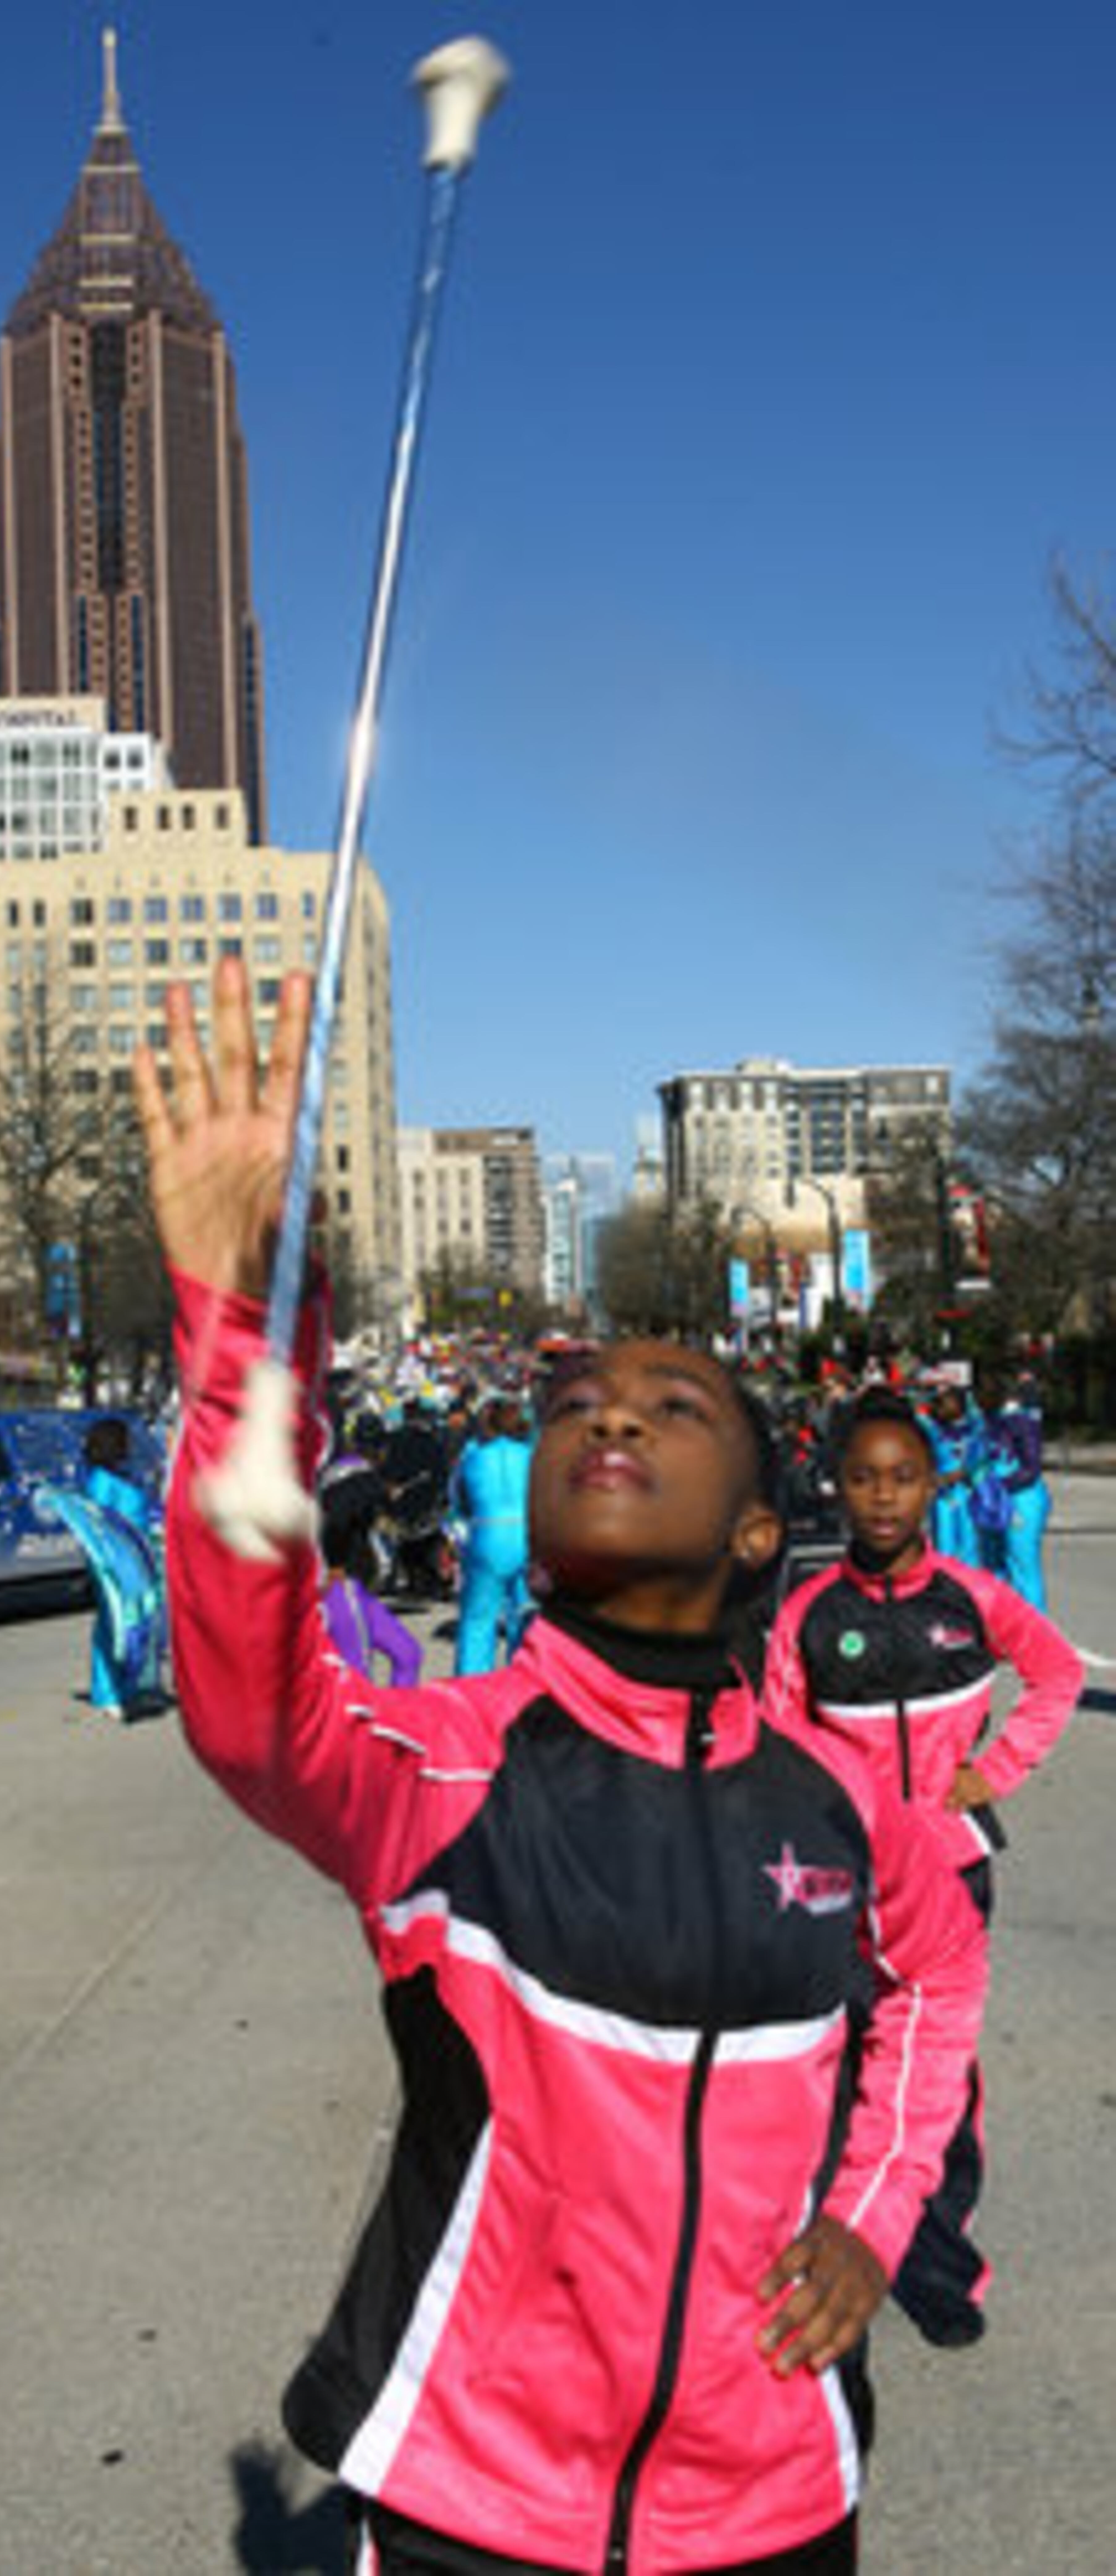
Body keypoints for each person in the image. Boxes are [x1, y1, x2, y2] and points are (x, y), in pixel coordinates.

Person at [134, 960, 987, 2576]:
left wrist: (877, 2220)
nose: (608, 1413)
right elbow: (253, 1703)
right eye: (579, 1401)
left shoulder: (840, 1809)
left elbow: (941, 1973)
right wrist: (248, 1328)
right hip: (479, 2504)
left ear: (757, 1526)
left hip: (772, 2504)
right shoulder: (452, 1769)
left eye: (674, 1404)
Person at [764, 1386, 1083, 2350]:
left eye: (902, 1477)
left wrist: (994, 1770)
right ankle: (832, 2250)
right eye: (861, 1478)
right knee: (835, 2065)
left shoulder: (970, 1598)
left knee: (935, 2078)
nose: (882, 1498)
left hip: (950, 1878)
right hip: (842, 1888)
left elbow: (1057, 1673)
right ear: (835, 1486)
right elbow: (775, 1741)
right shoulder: (808, 1615)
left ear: (932, 1482)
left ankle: (940, 2264)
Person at [79, 1416, 163, 1719]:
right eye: (124, 1440)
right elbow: (100, 1526)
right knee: (112, 1623)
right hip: (113, 1562)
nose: (130, 1446)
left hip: (138, 1559)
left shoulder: (123, 1475)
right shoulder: (101, 1481)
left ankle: (131, 1688)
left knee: (136, 1622)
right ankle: (106, 1692)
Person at [450, 1391, 533, 1672]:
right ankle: (524, 1685)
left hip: (488, 1535)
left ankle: (471, 1690)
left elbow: (459, 1504)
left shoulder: (473, 1457)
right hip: (527, 1536)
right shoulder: (530, 1456)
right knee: (524, 1617)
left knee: (478, 1621)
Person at [319, 1464, 423, 1689]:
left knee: (408, 1653)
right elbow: (338, 1516)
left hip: (358, 1590)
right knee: (357, 1673)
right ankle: (356, 1723)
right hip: (343, 1589)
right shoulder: (358, 1476)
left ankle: (396, 1717)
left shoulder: (361, 1480)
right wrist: (335, 1563)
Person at [976, 1370, 1053, 1611]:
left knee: (1022, 1566)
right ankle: (1000, 1624)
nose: (977, 1401)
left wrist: (1001, 1487)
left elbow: (1031, 1468)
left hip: (1023, 1500)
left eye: (983, 1395)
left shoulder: (1021, 1423)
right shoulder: (986, 1422)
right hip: (993, 1501)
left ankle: (1035, 1629)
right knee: (992, 1565)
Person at [920, 1379, 985, 1568]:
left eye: (951, 1402)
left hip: (968, 1492)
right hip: (944, 1495)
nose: (947, 1407)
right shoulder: (933, 1429)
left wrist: (965, 1471)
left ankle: (970, 1588)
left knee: (970, 1545)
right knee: (944, 1544)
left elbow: (980, 1456)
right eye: (943, 1403)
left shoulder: (974, 1428)